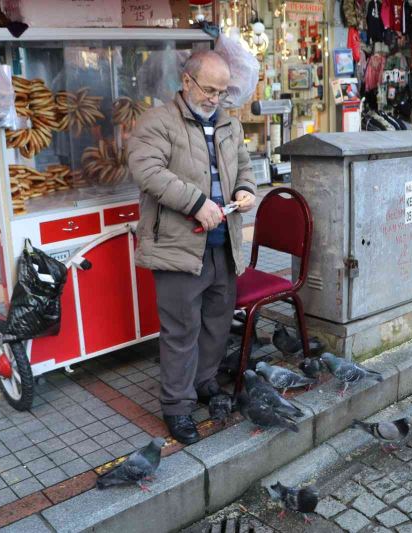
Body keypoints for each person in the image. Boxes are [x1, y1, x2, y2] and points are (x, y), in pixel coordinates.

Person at [127, 51, 256, 444]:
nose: (216, 98)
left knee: (217, 323)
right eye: (209, 89)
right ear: (187, 82)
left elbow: (246, 166)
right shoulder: (157, 123)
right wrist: (198, 204)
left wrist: (245, 190)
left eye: (222, 91)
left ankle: (203, 383)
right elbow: (147, 171)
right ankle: (177, 407)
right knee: (181, 330)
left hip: (223, 245)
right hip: (179, 247)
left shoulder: (229, 126)